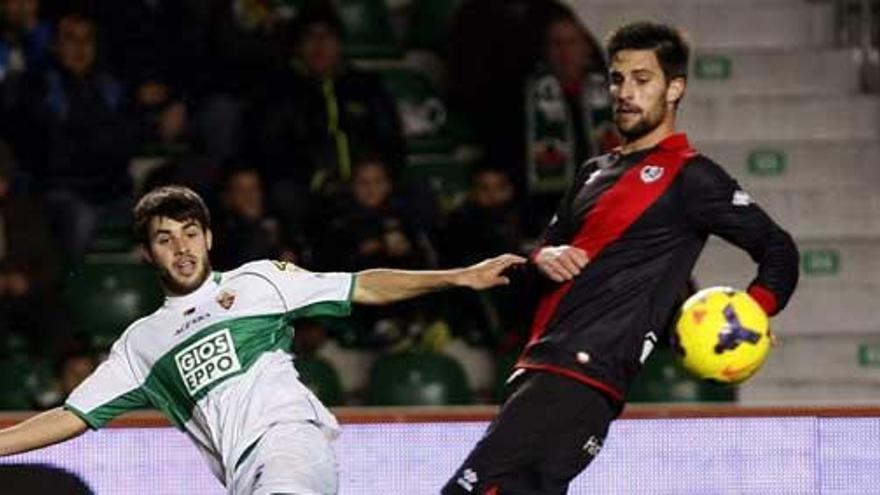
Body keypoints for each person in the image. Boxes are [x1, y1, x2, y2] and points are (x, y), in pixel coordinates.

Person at [443, 21, 800, 494]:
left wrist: (754, 310)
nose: (626, 92)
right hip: (544, 367)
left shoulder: (692, 178)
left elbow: (778, 249)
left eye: (642, 79)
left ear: (675, 88)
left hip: (580, 373)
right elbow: (539, 259)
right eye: (617, 78)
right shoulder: (593, 171)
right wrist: (543, 257)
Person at [0, 184, 524, 494]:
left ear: (208, 237)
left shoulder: (259, 281)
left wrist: (458, 276)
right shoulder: (142, 343)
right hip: (241, 475)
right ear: (147, 255)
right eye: (165, 239)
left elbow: (361, 286)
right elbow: (72, 415)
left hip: (289, 443)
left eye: (189, 233)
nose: (181, 248)